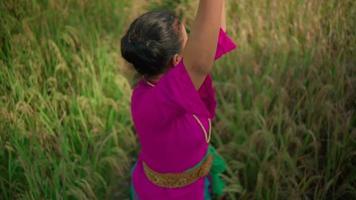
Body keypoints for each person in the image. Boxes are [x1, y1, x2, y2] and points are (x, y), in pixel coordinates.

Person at [121, 0, 236, 199]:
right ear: (176, 61)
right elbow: (199, 63)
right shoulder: (155, 101)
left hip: (193, 178)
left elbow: (215, 34)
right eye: (188, 39)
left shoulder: (167, 83)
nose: (195, 43)